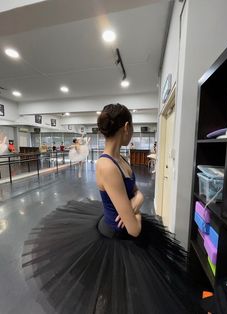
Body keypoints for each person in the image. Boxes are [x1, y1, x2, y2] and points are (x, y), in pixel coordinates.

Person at [22, 104, 207, 314]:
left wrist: (136, 201)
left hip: (125, 230)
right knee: (115, 297)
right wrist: (135, 208)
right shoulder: (107, 165)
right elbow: (133, 229)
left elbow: (137, 192)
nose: (133, 131)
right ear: (126, 127)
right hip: (116, 237)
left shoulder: (122, 159)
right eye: (133, 127)